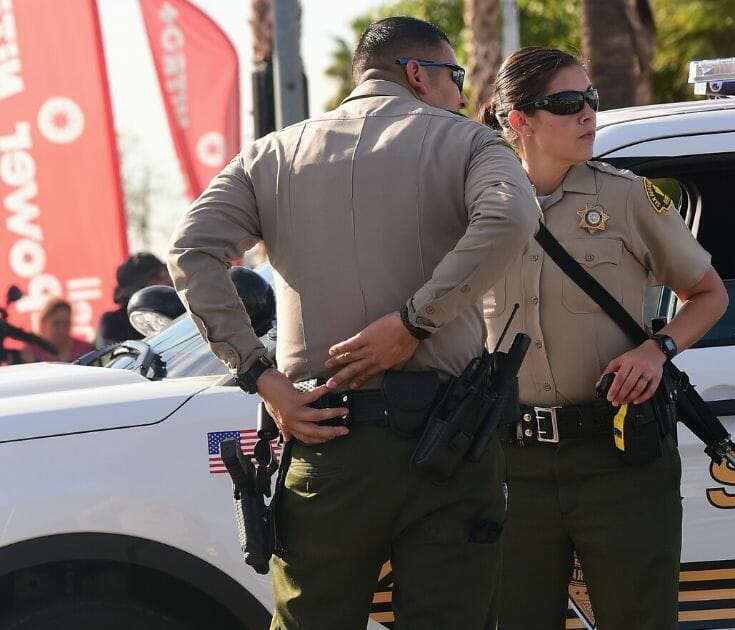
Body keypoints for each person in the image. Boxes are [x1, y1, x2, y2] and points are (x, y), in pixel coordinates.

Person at [167, 16, 538, 630]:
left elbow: (190, 250)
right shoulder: (470, 143)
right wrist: (415, 324)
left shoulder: (272, 154)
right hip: (449, 442)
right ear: (417, 74)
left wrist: (264, 380)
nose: (463, 95)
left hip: (326, 437)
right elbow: (511, 219)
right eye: (456, 76)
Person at [478, 47, 728, 629]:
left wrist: (658, 349)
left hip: (619, 457)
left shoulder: (625, 197)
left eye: (591, 99)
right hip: (511, 464)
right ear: (520, 120)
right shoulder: (478, 207)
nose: (589, 114)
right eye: (568, 104)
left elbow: (710, 294)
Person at [95, 252, 172, 347]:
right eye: (156, 278)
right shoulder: (115, 322)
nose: (167, 282)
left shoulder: (182, 305)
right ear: (136, 289)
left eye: (167, 274)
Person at [20, 298, 92, 363]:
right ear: (43, 323)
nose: (62, 329)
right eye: (56, 324)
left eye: (66, 323)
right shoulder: (31, 352)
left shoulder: (85, 350)